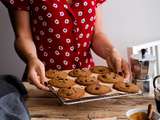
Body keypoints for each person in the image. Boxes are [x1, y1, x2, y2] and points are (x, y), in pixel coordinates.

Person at [1, 0, 130, 91]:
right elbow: (23, 37)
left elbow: (96, 34)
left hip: (88, 84)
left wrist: (111, 52)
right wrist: (32, 59)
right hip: (43, 82)